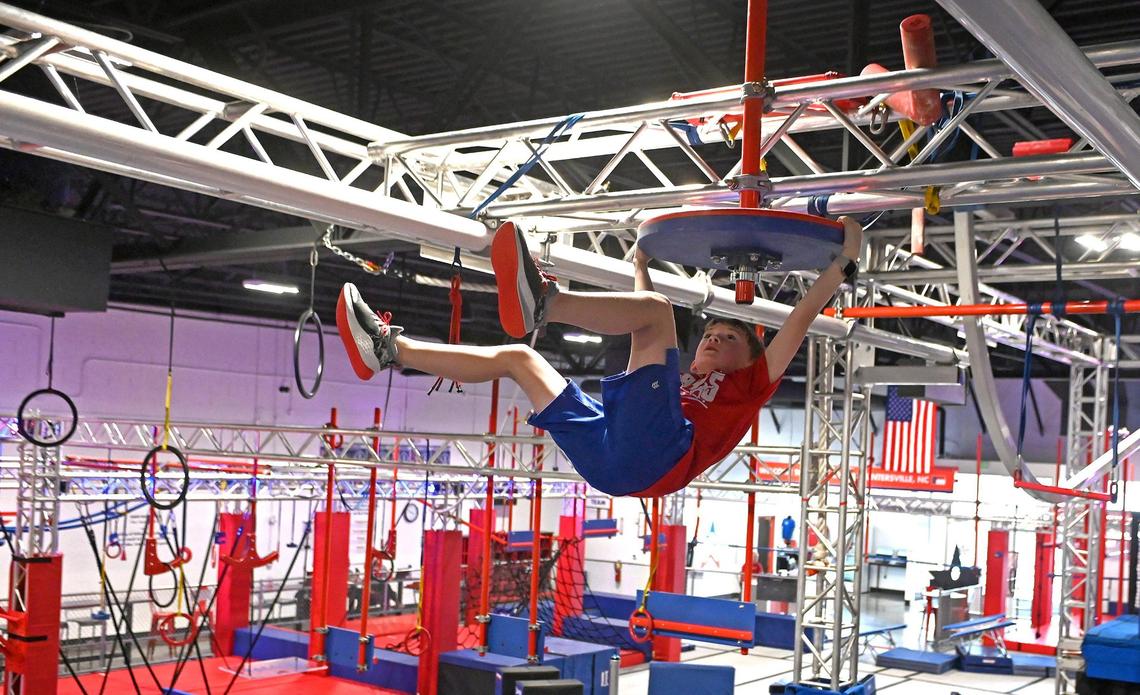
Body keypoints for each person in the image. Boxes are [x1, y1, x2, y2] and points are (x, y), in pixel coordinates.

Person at [337, 217, 863, 497]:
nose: (712, 340)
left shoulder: (750, 387)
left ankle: (546, 302)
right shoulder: (672, 385)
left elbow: (797, 321)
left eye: (728, 339)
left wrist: (841, 264)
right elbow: (642, 319)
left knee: (657, 313)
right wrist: (640, 262)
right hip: (615, 457)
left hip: (659, 458)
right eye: (711, 335)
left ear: (751, 358)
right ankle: (388, 350)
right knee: (521, 359)